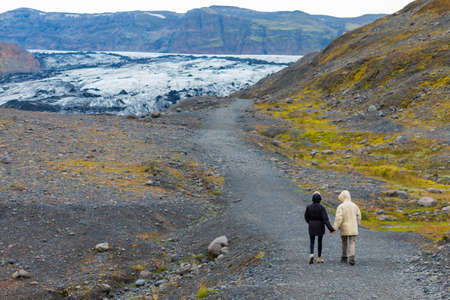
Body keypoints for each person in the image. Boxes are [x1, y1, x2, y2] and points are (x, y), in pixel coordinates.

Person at [304, 191, 335, 264]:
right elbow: (326, 219)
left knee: (312, 241)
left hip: (311, 225)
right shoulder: (322, 208)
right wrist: (331, 229)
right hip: (320, 226)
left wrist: (310, 222)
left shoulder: (308, 207)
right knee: (319, 241)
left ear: (312, 199)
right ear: (320, 199)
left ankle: (311, 254)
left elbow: (306, 217)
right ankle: (319, 258)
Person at [333, 190, 361, 265]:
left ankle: (344, 257)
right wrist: (358, 223)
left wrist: (335, 227)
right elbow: (359, 215)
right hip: (353, 227)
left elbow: (339, 218)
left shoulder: (341, 206)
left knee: (344, 242)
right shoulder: (355, 205)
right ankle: (352, 258)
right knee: (352, 242)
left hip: (344, 227)